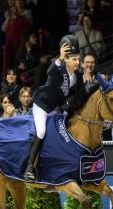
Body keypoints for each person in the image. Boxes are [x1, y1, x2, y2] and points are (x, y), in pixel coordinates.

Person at [24, 35, 85, 181]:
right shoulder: (58, 69)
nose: (77, 62)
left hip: (57, 108)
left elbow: (79, 93)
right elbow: (50, 72)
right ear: (67, 59)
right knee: (42, 131)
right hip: (42, 106)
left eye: (78, 59)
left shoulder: (78, 74)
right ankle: (30, 168)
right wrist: (60, 59)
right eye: (74, 59)